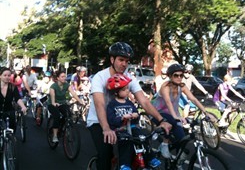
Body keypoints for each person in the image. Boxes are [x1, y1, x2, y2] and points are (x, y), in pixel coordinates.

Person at [86, 42, 171, 170]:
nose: (124, 64)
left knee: (136, 148)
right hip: (99, 121)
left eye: (126, 61)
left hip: (121, 120)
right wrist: (106, 128)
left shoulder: (128, 78)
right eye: (121, 60)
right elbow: (100, 104)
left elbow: (144, 101)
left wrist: (161, 120)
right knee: (106, 154)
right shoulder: (100, 77)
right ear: (112, 59)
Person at [152, 63, 211, 160]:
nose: (179, 77)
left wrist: (206, 112)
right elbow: (168, 102)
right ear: (170, 76)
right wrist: (176, 116)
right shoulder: (165, 86)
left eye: (181, 75)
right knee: (171, 120)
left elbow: (194, 99)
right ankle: (164, 144)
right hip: (158, 113)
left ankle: (177, 163)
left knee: (182, 140)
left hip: (173, 114)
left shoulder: (182, 86)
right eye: (176, 75)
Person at [106, 74, 161, 170]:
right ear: (116, 92)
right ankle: (124, 164)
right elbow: (111, 120)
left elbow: (135, 113)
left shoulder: (129, 103)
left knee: (143, 139)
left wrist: (136, 115)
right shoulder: (112, 105)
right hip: (120, 130)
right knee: (125, 145)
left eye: (127, 88)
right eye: (124, 89)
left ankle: (151, 158)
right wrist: (122, 118)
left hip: (132, 128)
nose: (127, 91)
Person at [48, 70, 84, 143]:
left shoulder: (67, 85)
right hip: (53, 104)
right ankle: (54, 135)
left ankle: (62, 127)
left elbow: (73, 93)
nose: (64, 78)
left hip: (62, 103)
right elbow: (52, 97)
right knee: (57, 116)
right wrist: (54, 103)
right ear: (58, 78)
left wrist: (80, 101)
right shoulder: (53, 86)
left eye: (65, 76)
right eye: (62, 77)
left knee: (68, 115)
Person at [0, 67, 27, 131]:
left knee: (12, 127)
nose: (7, 77)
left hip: (9, 109)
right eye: (5, 75)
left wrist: (23, 106)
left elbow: (18, 98)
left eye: (9, 75)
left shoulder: (13, 87)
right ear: (0, 76)